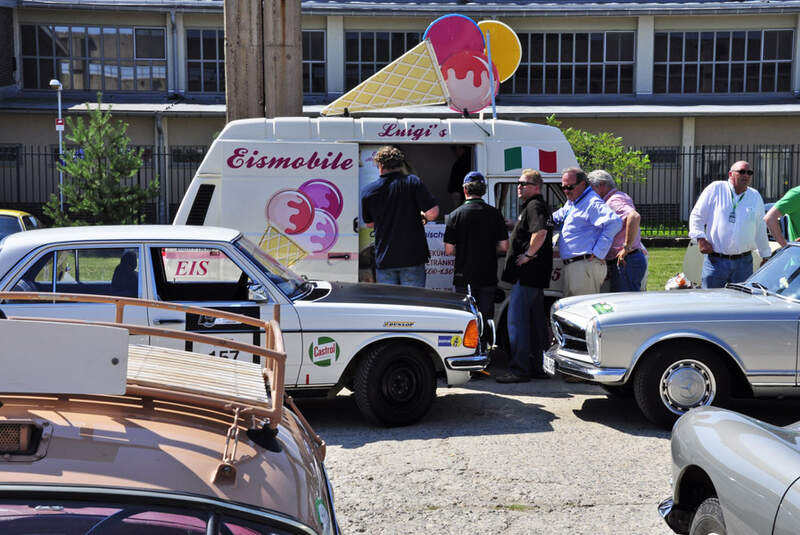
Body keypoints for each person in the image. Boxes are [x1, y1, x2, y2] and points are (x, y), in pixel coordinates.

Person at [495, 169, 553, 383]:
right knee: (536, 324)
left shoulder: (535, 206)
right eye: (518, 183)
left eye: (524, 183)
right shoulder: (532, 207)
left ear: (536, 187)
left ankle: (519, 370)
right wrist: (514, 225)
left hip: (528, 275)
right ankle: (538, 367)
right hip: (534, 277)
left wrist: (528, 255)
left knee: (516, 323)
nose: (519, 186)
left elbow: (541, 232)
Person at [443, 171, 508, 346]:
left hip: (463, 276)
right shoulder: (494, 214)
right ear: (484, 190)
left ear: (465, 190)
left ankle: (468, 354)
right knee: (486, 317)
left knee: (466, 318)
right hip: (487, 275)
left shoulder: (455, 215)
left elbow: (449, 250)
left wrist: (465, 250)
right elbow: (504, 247)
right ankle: (485, 355)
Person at [361, 145, 439, 287]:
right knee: (413, 304)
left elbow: (370, 224)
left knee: (390, 307)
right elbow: (433, 214)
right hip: (412, 257)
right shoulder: (413, 182)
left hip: (385, 258)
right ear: (400, 164)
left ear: (380, 165)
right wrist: (422, 215)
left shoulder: (368, 191)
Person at [689, 160, 771, 288]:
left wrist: (765, 256)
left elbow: (760, 228)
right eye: (742, 172)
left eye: (749, 172)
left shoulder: (754, 196)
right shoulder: (716, 188)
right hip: (716, 261)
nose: (746, 175)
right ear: (730, 174)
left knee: (740, 304)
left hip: (744, 263)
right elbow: (697, 216)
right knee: (712, 303)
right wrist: (701, 240)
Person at [552, 168, 622, 297]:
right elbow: (556, 217)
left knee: (582, 311)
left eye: (570, 187)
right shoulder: (573, 201)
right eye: (564, 187)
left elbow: (615, 222)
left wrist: (599, 252)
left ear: (583, 184)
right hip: (575, 265)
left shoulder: (591, 202)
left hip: (584, 265)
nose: (566, 191)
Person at [587, 170, 648, 292]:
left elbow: (634, 217)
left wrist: (626, 247)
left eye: (591, 188)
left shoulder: (613, 201)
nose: (590, 192)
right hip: (629, 259)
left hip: (626, 260)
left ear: (602, 185)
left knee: (625, 303)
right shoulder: (619, 196)